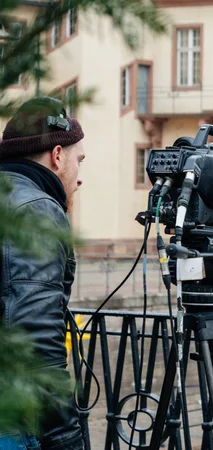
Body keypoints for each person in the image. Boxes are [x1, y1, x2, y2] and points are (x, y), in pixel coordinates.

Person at [0, 97, 85, 449]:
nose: (80, 178)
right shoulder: (37, 210)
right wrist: (65, 440)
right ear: (57, 155)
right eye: (79, 160)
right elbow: (36, 345)